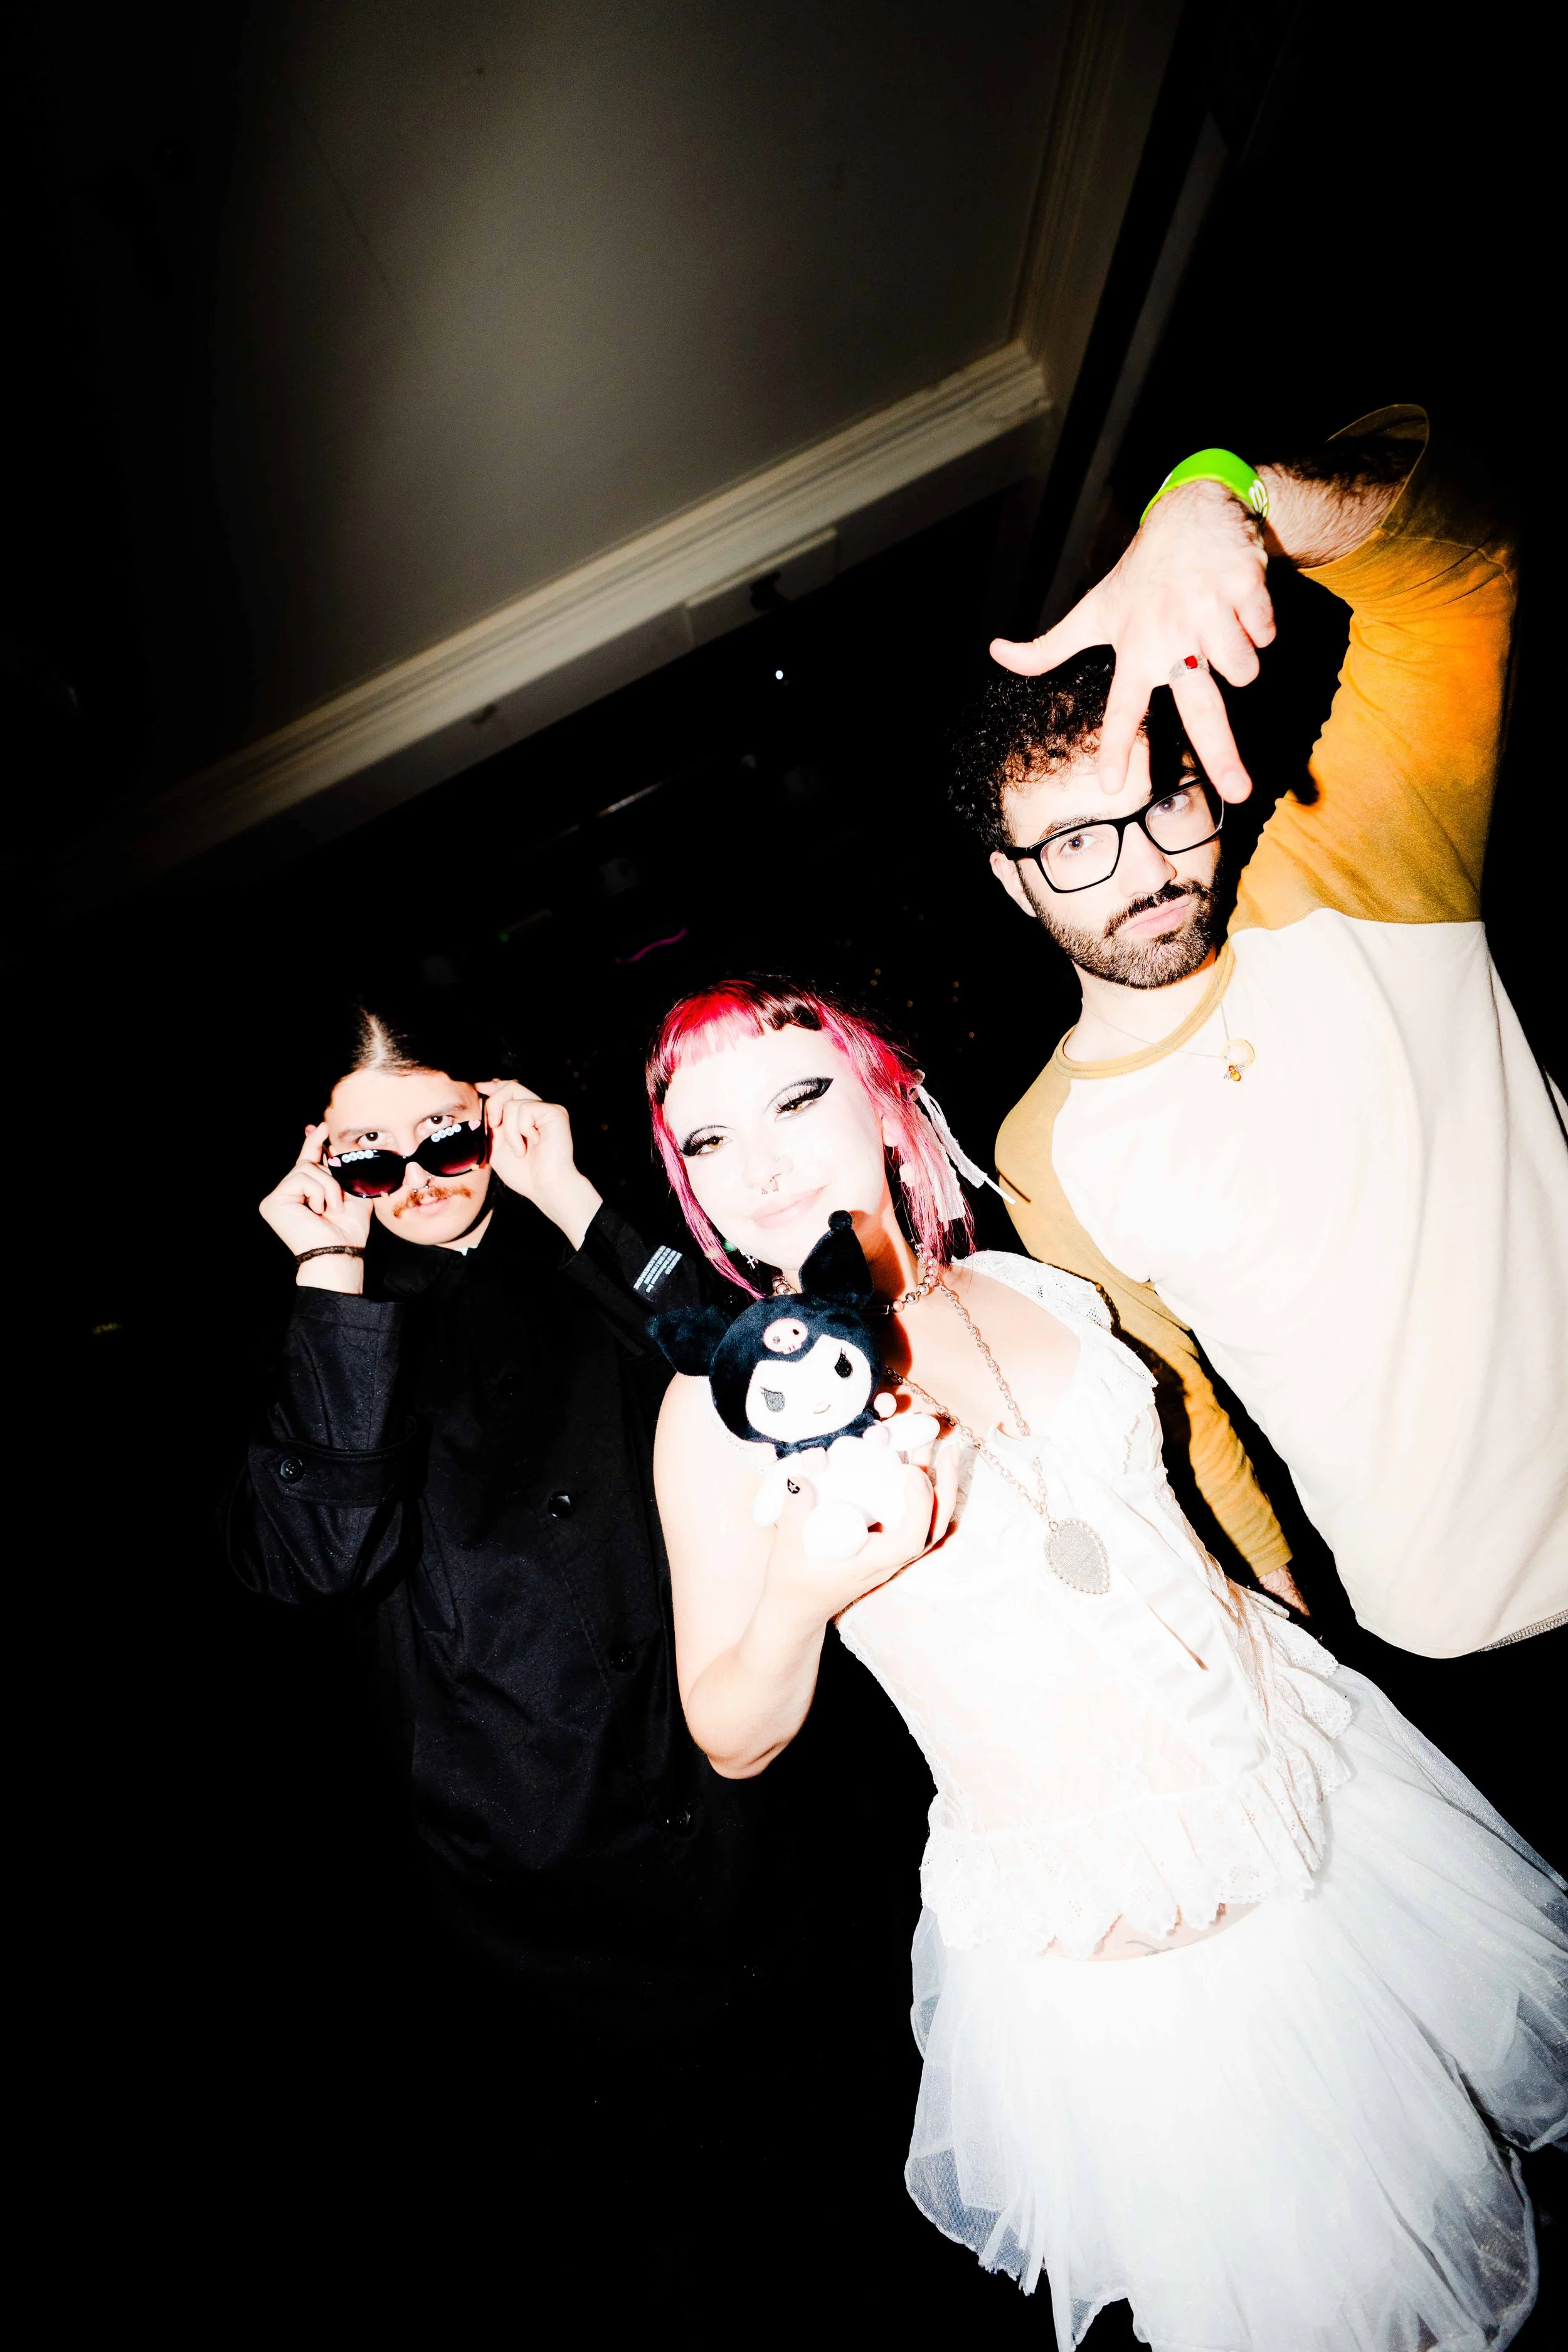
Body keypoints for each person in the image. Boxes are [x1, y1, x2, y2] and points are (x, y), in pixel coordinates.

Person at [646, 975, 1566, 2350]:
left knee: (1466, 2194)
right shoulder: (728, 1413)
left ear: (887, 1099)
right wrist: (798, 1591)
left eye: (793, 1097)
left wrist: (1261, 1599)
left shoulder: (1026, 1284)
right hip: (1133, 1935)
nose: (756, 1164)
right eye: (705, 1141)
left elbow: (1159, 1507)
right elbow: (730, 1727)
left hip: (1320, 1795)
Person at [950, 408, 1566, 1683]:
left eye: (1159, 799)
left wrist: (1223, 502)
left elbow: (1461, 564)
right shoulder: (1042, 1150)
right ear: (1015, 885)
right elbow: (1165, 1393)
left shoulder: (1355, 864)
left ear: (1202, 780)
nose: (1142, 868)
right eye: (1073, 844)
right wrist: (1277, 1605)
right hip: (1454, 1641)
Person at [225, 993, 750, 2043]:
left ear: (497, 1106)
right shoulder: (318, 1318)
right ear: (316, 1161)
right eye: (368, 1155)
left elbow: (760, 1378)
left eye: (447, 1135)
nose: (418, 1180)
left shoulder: (587, 1237)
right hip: (535, 1875)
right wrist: (330, 1275)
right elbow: (321, 1562)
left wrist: (571, 1197)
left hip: (740, 1796)